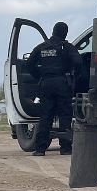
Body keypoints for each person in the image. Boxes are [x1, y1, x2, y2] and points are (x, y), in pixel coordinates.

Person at [26, 22, 78, 156]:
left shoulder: (41, 47)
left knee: (45, 116)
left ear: (53, 31)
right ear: (65, 33)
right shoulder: (67, 47)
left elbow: (29, 64)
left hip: (46, 84)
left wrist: (40, 76)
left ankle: (40, 149)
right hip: (62, 83)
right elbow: (78, 62)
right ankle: (65, 148)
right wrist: (73, 74)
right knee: (65, 115)